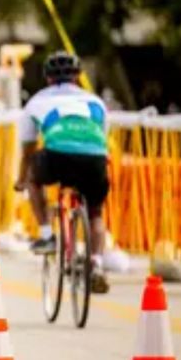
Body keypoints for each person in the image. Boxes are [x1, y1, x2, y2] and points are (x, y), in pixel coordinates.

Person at [14, 51, 111, 294]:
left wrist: (21, 179)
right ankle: (97, 264)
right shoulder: (96, 102)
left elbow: (28, 150)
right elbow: (101, 139)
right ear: (78, 77)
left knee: (33, 179)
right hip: (94, 158)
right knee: (96, 211)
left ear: (47, 78)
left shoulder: (36, 102)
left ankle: (47, 235)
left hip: (57, 157)